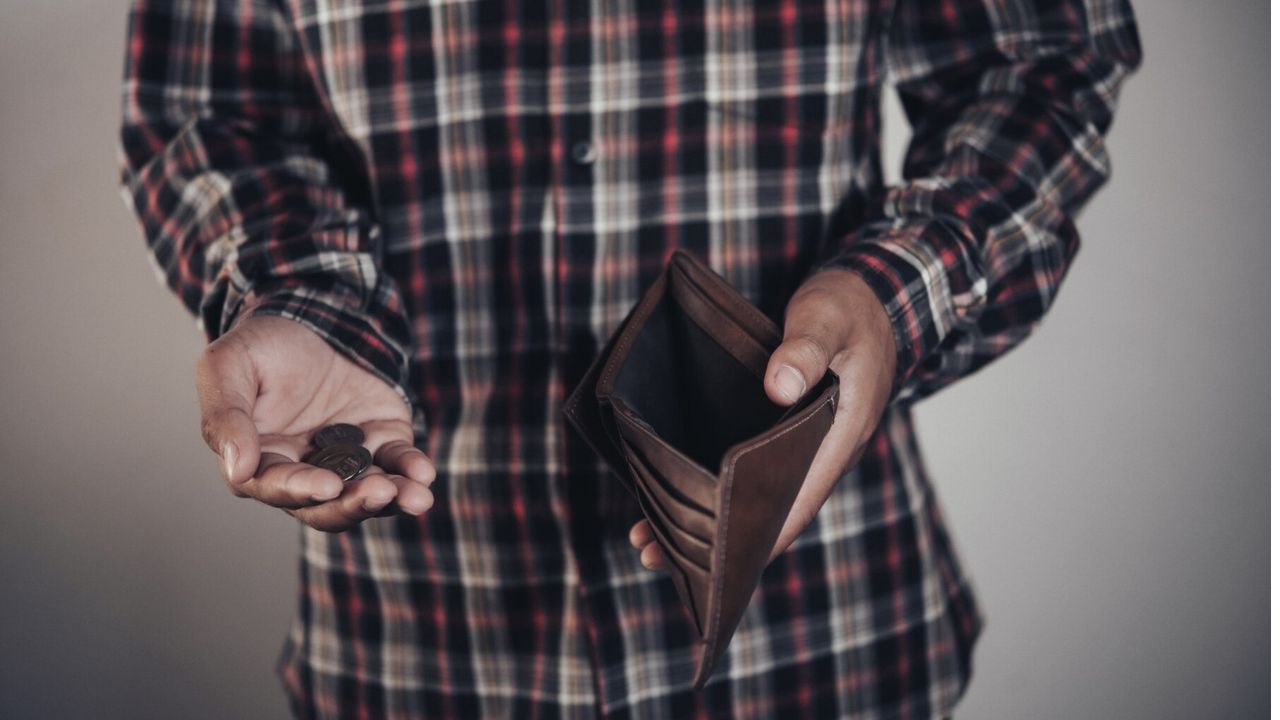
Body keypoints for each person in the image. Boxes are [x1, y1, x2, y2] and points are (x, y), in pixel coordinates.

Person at [117, 0, 1141, 716]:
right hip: (426, 644)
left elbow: (1037, 63)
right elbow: (212, 115)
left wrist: (892, 295)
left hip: (823, 640)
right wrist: (306, 302)